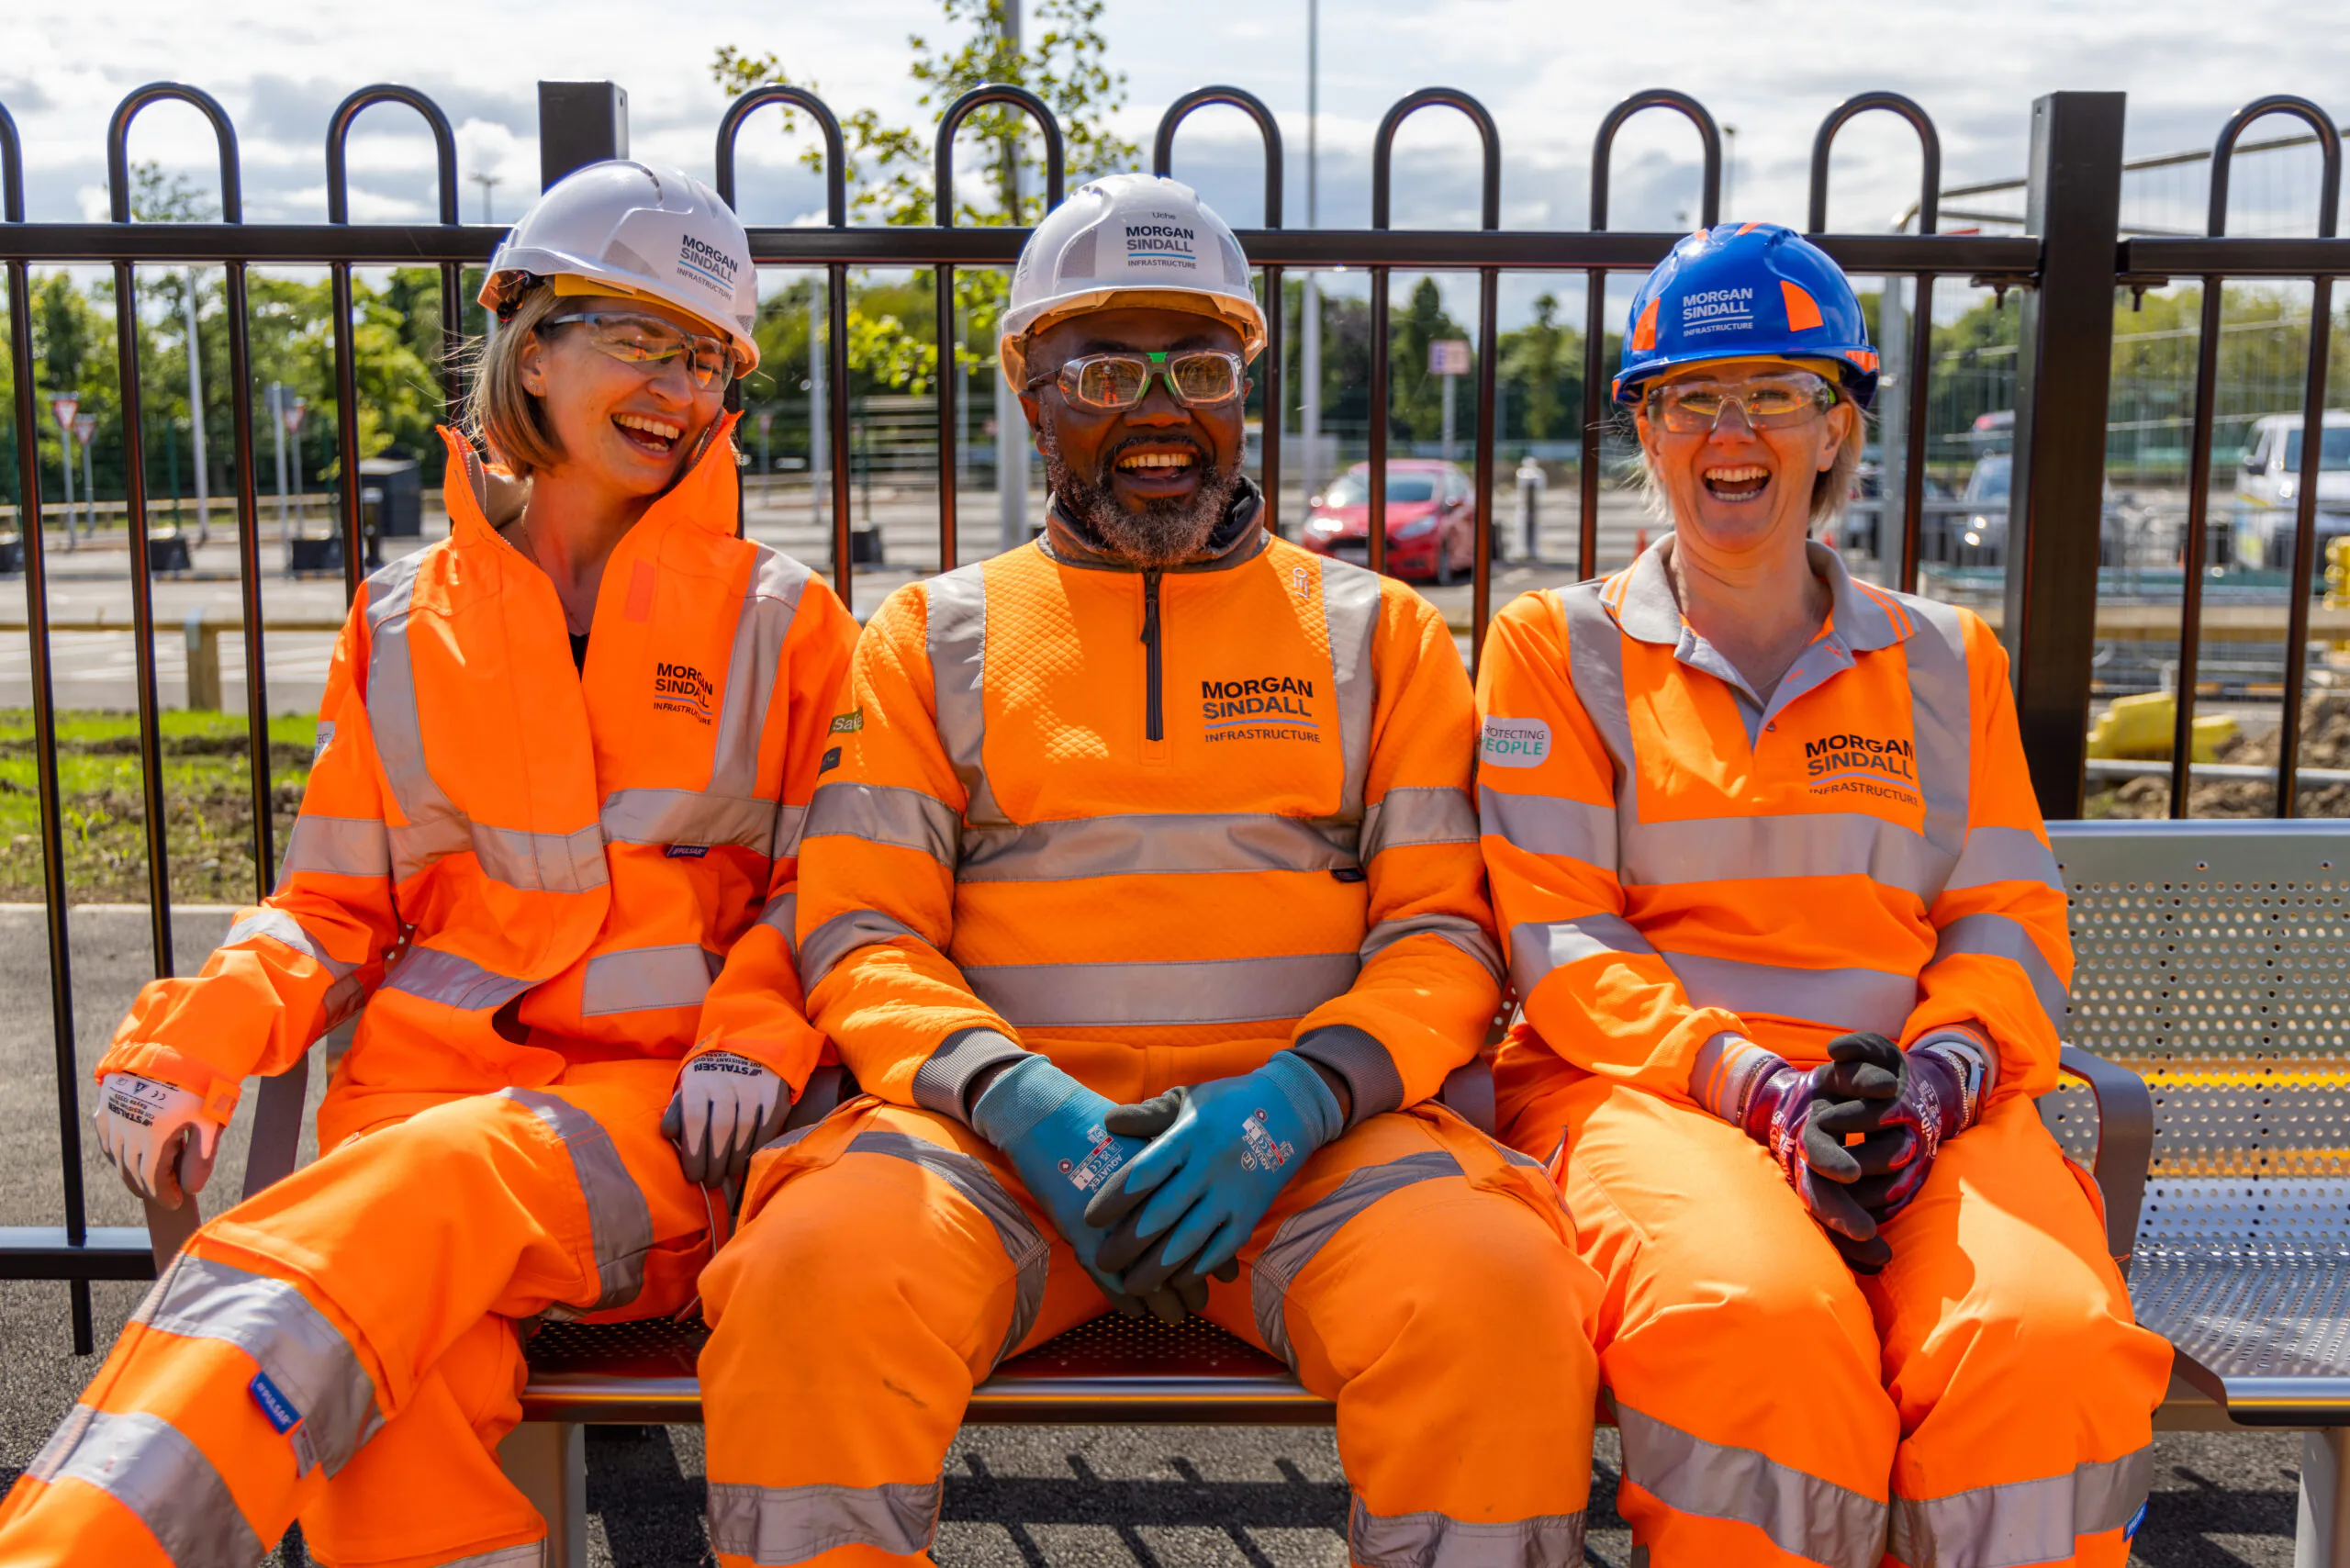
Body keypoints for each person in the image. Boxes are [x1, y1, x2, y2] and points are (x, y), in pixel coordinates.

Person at [695, 173, 1602, 1568]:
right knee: (813, 1286)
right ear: (1032, 395)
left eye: (1201, 367)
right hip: (991, 1150)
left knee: (1497, 1295)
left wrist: (1294, 1102)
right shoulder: (932, 635)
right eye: (1106, 370)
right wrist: (1019, 1098)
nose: (1161, 410)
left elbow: (1443, 935)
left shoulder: (1384, 636)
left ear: (1245, 385)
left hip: (1306, 1155)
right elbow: (863, 929)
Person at [0, 161, 857, 1567]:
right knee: (401, 1416)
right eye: (638, 336)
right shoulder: (404, 616)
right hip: (413, 1132)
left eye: (707, 357)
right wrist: (200, 1043)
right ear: (527, 331)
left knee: (413, 1205)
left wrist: (756, 1034)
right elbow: (335, 901)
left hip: (658, 1131)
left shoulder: (785, 621)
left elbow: (822, 892)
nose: (677, 387)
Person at [1475, 222, 2172, 1568]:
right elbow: (1561, 939)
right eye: (1690, 396)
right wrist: (1764, 1094)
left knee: (2046, 1344)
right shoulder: (1553, 650)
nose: (1731, 431)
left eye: (1778, 392)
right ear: (1647, 425)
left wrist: (1939, 1082)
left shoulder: (1943, 657)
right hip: (1658, 1101)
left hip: (1928, 1104)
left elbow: (2005, 925)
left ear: (1838, 423)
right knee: (1755, 1323)